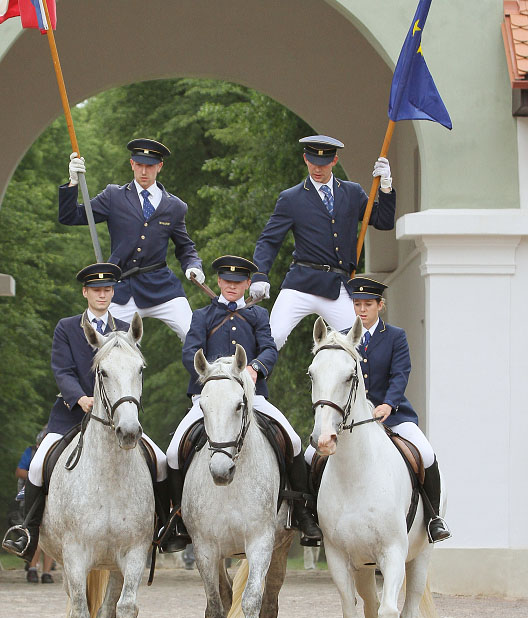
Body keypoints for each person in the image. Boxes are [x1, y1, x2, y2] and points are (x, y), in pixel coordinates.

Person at [2, 262, 175, 561]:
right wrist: (79, 397)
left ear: (113, 292)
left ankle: (166, 528)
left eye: (107, 290)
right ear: (85, 292)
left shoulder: (125, 331)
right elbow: (62, 369)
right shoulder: (67, 327)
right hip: (71, 415)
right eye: (96, 290)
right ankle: (28, 532)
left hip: (118, 417)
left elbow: (131, 373)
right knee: (37, 465)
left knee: (160, 461)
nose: (102, 295)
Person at [166, 255, 321, 547]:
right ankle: (176, 517)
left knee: (295, 441)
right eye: (227, 281)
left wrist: (256, 368)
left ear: (248, 284)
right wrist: (211, 375)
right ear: (218, 282)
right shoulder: (202, 316)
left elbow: (269, 350)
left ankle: (302, 512)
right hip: (209, 399)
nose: (232, 286)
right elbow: (190, 353)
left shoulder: (259, 315)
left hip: (252, 397)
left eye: (239, 282)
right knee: (173, 453)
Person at [304, 276, 450, 543]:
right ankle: (311, 516)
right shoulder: (341, 339)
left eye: (368, 304)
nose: (362, 309)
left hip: (392, 415)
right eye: (357, 304)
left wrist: (389, 403)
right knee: (309, 456)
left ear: (380, 305)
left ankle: (433, 518)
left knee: (426, 455)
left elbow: (401, 373)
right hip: (349, 421)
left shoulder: (395, 336)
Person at [250, 134, 396, 350]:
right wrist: (259, 275)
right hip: (301, 284)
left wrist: (385, 187)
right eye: (313, 163)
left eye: (324, 164)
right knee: (272, 338)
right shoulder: (291, 198)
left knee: (362, 345)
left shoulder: (352, 192)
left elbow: (383, 221)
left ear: (334, 161)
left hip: (337, 286)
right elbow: (269, 240)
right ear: (305, 159)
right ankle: (254, 381)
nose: (317, 169)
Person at [60, 138, 204, 341]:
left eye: (150, 166)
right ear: (132, 164)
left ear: (160, 166)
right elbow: (71, 216)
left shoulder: (175, 206)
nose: (144, 172)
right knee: (101, 345)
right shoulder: (113, 196)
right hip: (121, 288)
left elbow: (185, 247)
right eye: (139, 165)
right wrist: (72, 182)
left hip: (161, 287)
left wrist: (193, 265)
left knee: (195, 337)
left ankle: (205, 374)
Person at [15, 429, 55, 583]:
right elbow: (19, 471)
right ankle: (32, 568)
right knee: (34, 530)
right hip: (35, 494)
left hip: (53, 496)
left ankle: (47, 572)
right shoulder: (31, 452)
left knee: (51, 533)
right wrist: (36, 478)